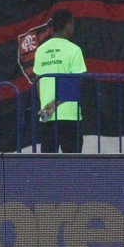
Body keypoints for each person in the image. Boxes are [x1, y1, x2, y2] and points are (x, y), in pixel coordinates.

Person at [32, 10, 87, 153]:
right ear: (68, 25)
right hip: (69, 115)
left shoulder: (41, 50)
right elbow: (76, 82)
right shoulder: (74, 50)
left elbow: (38, 82)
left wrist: (47, 105)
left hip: (47, 116)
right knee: (72, 165)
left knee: (48, 166)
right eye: (72, 23)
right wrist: (55, 104)